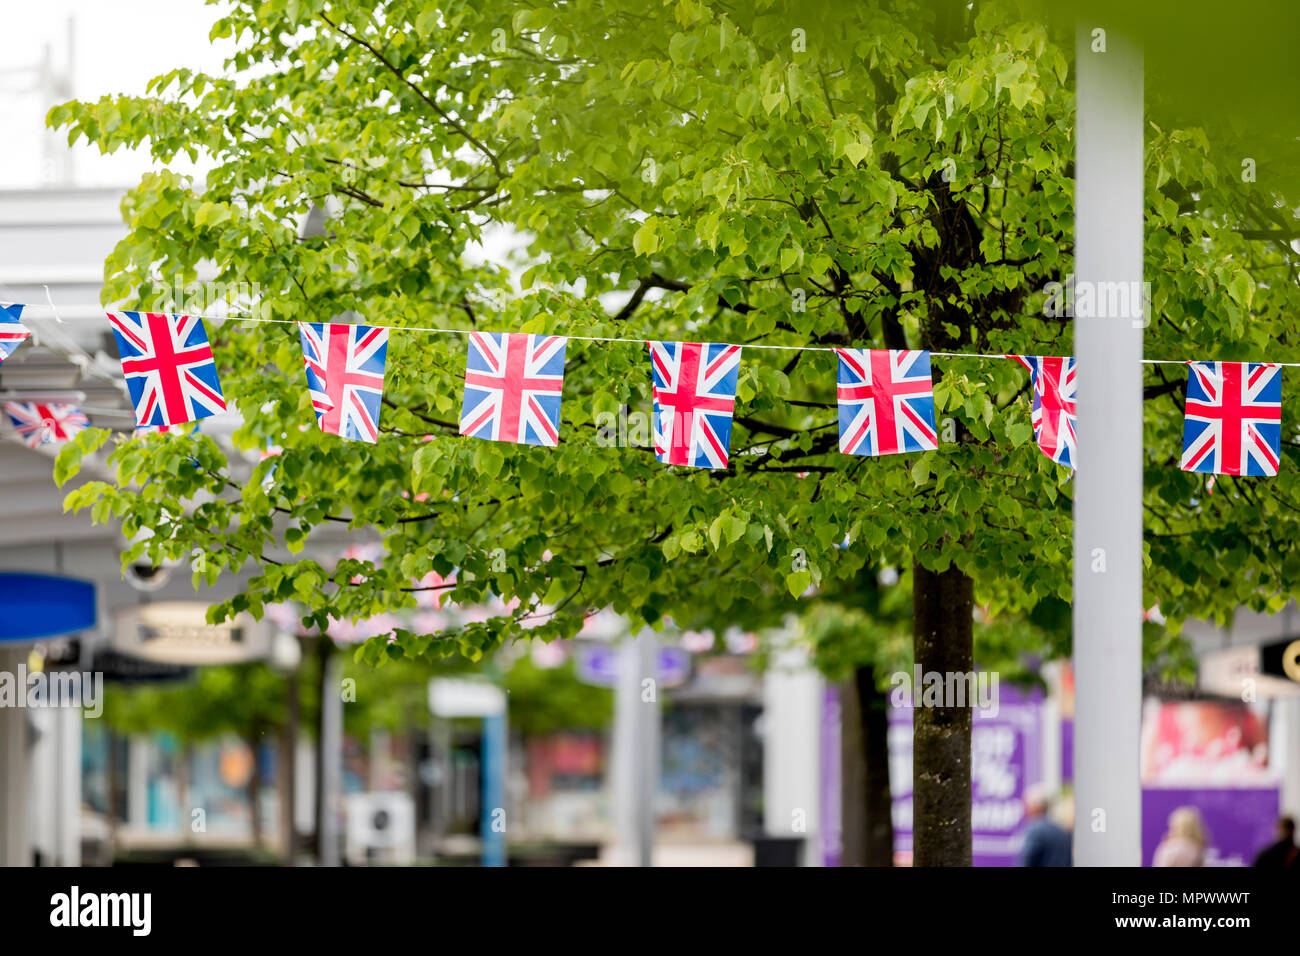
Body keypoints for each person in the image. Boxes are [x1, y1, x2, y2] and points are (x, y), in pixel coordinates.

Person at [1019, 785, 1072, 867]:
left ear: (1035, 807)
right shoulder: (1061, 829)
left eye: (1027, 805)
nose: (1025, 808)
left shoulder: (1035, 830)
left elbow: (1028, 859)